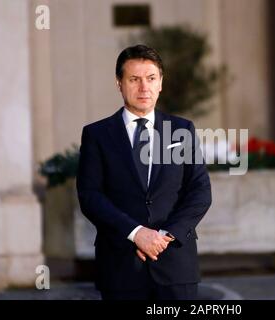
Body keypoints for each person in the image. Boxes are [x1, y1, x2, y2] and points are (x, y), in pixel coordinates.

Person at [76, 44, 212, 300]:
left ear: (161, 83)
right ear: (119, 83)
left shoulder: (181, 129)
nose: (143, 87)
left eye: (151, 78)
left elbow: (200, 191)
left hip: (175, 266)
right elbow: (90, 196)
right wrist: (136, 233)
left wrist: (164, 236)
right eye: (134, 79)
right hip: (120, 267)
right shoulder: (97, 135)